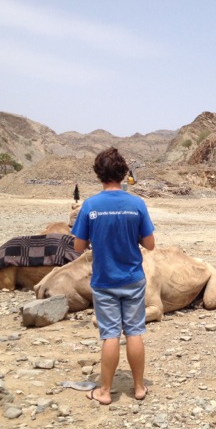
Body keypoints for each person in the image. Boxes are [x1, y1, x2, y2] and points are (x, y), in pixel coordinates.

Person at [71, 148, 156, 406]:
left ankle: (105, 391)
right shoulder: (137, 204)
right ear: (122, 174)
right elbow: (150, 244)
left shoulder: (90, 205)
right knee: (134, 332)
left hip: (104, 281)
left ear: (99, 175)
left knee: (110, 334)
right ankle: (139, 387)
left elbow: (77, 247)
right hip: (132, 279)